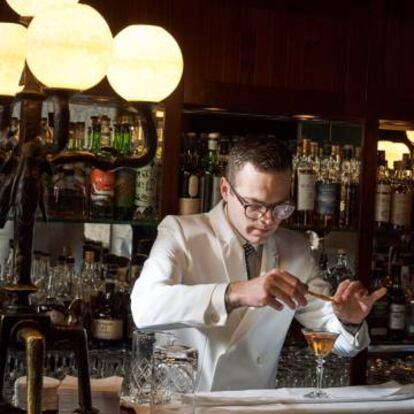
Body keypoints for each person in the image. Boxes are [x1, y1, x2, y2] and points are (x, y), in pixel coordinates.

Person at [131, 136, 386, 391]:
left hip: (256, 404)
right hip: (188, 405)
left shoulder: (296, 248)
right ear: (225, 190)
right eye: (254, 206)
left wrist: (349, 321)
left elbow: (335, 338)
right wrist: (236, 293)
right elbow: (145, 309)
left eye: (280, 208)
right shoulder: (182, 233)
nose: (267, 220)